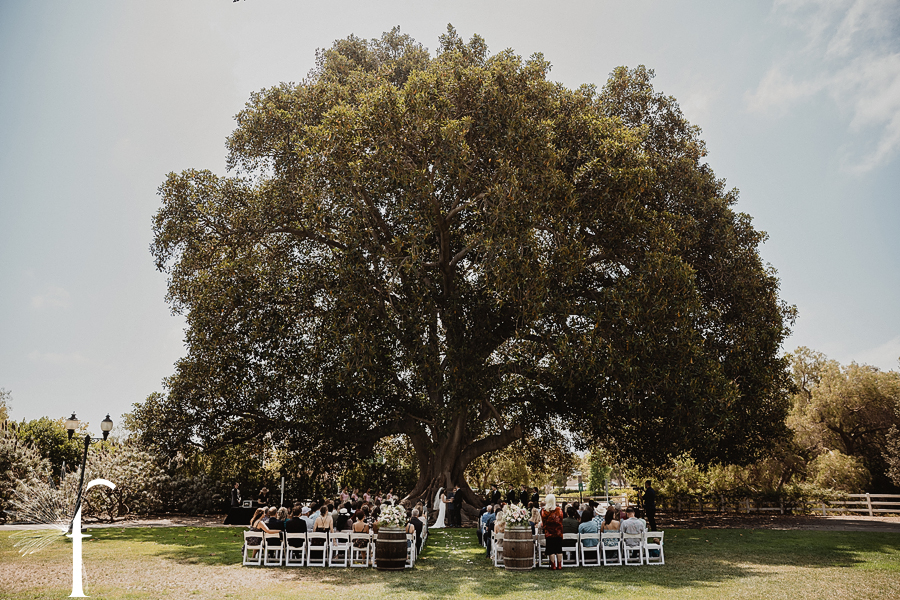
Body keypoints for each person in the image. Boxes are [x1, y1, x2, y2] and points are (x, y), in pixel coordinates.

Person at [541, 494, 564, 570]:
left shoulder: (544, 511)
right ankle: (559, 565)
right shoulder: (559, 510)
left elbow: (543, 521)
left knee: (551, 550)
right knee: (559, 549)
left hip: (549, 533)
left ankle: (553, 565)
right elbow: (561, 519)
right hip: (558, 532)